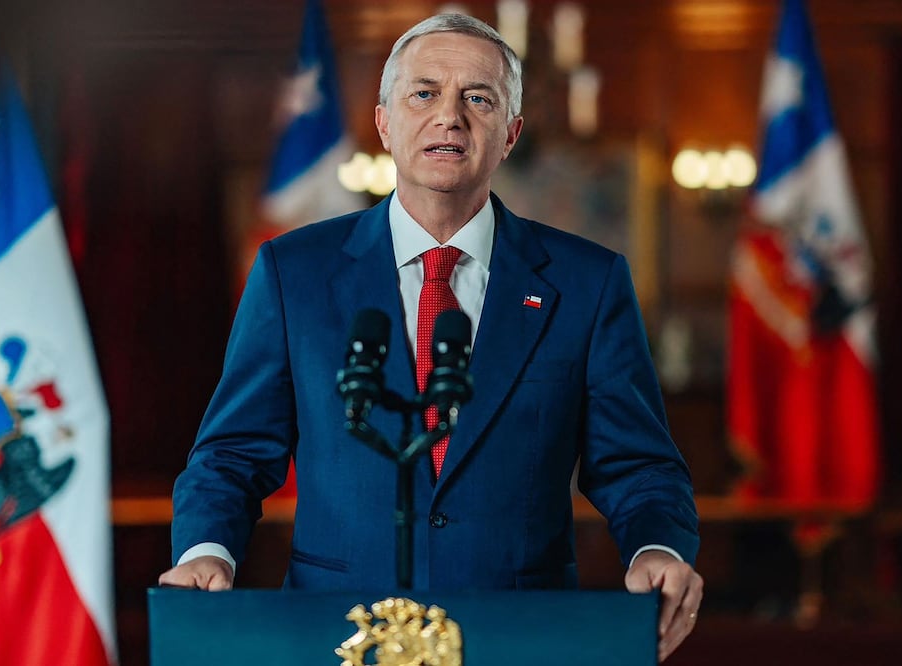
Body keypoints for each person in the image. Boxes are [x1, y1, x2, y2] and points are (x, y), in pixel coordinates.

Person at [159, 13, 703, 661]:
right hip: (338, 637)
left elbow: (637, 464)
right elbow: (233, 453)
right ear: (385, 122)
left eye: (479, 98)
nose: (450, 116)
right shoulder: (292, 273)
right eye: (424, 93)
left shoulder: (589, 283)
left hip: (520, 638)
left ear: (510, 135)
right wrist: (205, 552)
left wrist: (657, 548)